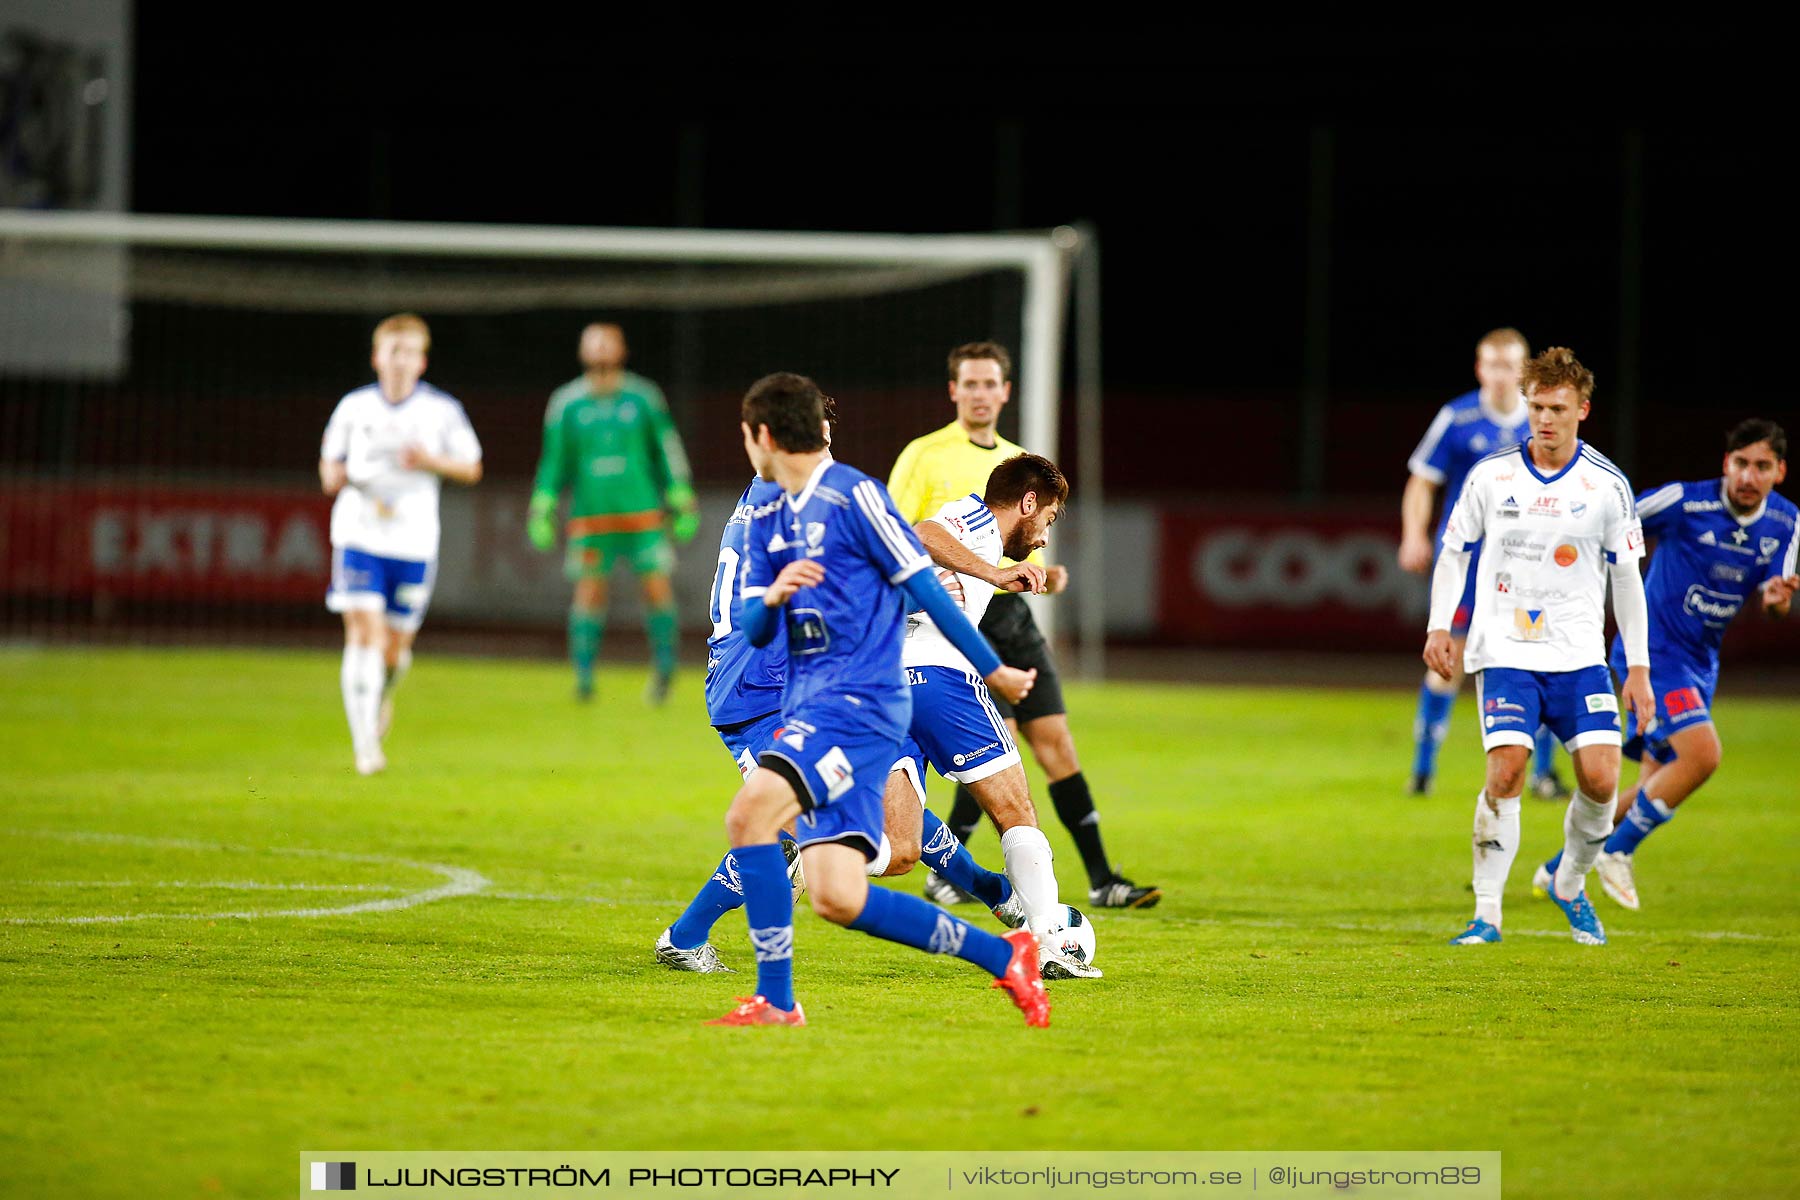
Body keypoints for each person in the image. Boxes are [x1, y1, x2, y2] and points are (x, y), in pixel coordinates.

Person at [708, 371, 1047, 1027]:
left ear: (763, 436)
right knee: (837, 896)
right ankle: (1005, 956)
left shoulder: (855, 498)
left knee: (752, 817)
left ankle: (776, 1001)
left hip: (863, 706)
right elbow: (753, 627)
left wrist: (993, 670)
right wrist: (774, 597)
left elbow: (926, 590)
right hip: (811, 705)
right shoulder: (768, 514)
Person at [887, 341, 1160, 910]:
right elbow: (902, 533)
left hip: (979, 619)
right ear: (954, 391)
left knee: (1043, 745)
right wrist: (970, 574)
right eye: (972, 383)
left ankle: (1093, 878)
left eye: (991, 384)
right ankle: (1047, 934)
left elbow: (1001, 545)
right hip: (944, 627)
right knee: (1003, 774)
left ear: (1006, 392)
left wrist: (1036, 575)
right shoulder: (927, 455)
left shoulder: (1019, 462)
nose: (982, 393)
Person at [1424, 347, 1652, 946]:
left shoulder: (1607, 485)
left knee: (1602, 781)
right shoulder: (1491, 475)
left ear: (1583, 409)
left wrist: (1640, 668)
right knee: (1507, 771)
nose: (1544, 419)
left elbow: (1627, 578)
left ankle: (1569, 883)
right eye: (1535, 407)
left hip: (1579, 657)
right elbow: (1453, 552)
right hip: (1504, 649)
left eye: (1556, 408)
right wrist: (1439, 625)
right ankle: (1486, 914)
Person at [1531, 420, 1796, 909]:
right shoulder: (1684, 502)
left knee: (1651, 785)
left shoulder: (1786, 522)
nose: (1748, 476)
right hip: (1651, 655)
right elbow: (1618, 519)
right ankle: (1617, 851)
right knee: (1703, 756)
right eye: (1741, 463)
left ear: (1779, 472)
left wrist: (1778, 600)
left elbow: (1774, 601)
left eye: (1761, 466)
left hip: (1701, 663)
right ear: (1726, 464)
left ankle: (1556, 869)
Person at [1400, 328, 1568, 800]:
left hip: (1526, 563)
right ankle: (1422, 771)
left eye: (1511, 366)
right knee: (1446, 663)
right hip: (1469, 561)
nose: (1501, 375)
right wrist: (1414, 534)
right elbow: (1422, 480)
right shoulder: (1457, 418)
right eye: (1493, 365)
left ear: (1525, 370)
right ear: (1480, 369)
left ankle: (1542, 775)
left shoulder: (1543, 419)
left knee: (1536, 656)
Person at [318, 313, 482, 775]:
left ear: (422, 361)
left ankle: (383, 692)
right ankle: (365, 744)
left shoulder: (441, 411)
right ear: (377, 357)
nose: (400, 361)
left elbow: (472, 467)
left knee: (393, 650)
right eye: (393, 351)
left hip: (413, 543)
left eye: (409, 352)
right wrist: (345, 476)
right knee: (363, 632)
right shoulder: (354, 408)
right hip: (358, 534)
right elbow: (328, 470)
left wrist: (429, 460)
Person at [527, 323, 699, 705]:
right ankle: (584, 679)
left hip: (641, 514)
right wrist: (543, 504)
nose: (601, 348)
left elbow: (666, 448)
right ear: (582, 350)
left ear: (622, 349)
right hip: (592, 517)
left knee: (657, 589)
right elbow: (555, 461)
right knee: (589, 594)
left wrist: (680, 493)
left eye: (608, 342)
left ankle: (665, 673)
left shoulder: (643, 398)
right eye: (594, 341)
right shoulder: (567, 403)